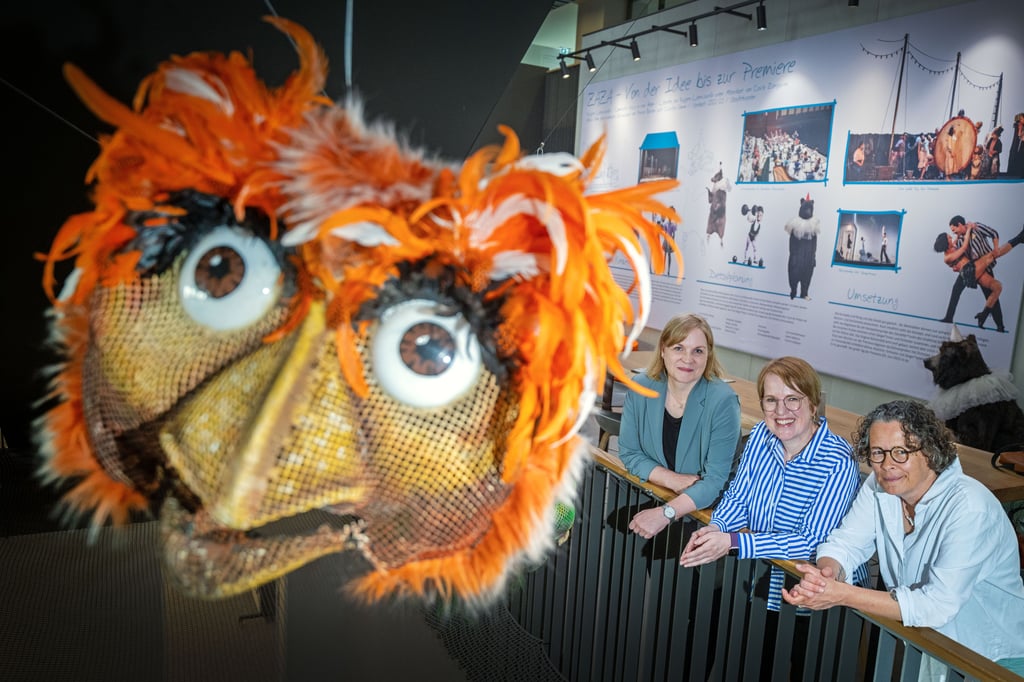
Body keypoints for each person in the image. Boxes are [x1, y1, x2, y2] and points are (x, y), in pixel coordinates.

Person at [782, 400, 1024, 678]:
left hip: (994, 659)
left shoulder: (970, 507)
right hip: (937, 647)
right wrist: (825, 575)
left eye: (900, 452)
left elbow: (937, 604)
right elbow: (846, 543)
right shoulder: (879, 484)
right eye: (877, 453)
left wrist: (843, 594)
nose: (887, 465)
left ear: (931, 451)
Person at [679, 357, 864, 678]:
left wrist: (733, 541)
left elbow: (812, 542)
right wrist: (716, 531)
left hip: (813, 601)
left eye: (793, 399)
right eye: (772, 400)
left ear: (813, 402)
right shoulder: (762, 436)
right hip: (758, 584)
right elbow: (737, 496)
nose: (782, 411)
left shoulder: (838, 460)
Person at [622, 314, 741, 540]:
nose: (688, 359)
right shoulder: (641, 387)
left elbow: (715, 480)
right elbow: (629, 453)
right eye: (679, 348)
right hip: (653, 498)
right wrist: (671, 479)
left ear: (708, 355)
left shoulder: (723, 400)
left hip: (704, 515)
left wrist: (665, 513)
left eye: (698, 351)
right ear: (663, 351)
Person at [938, 215, 1024, 331]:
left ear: (959, 224)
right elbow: (959, 254)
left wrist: (995, 248)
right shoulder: (959, 242)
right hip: (970, 269)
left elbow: (993, 233)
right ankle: (949, 317)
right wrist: (955, 266)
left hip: (983, 267)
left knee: (991, 293)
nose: (953, 233)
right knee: (956, 291)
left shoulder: (976, 227)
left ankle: (999, 325)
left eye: (954, 230)